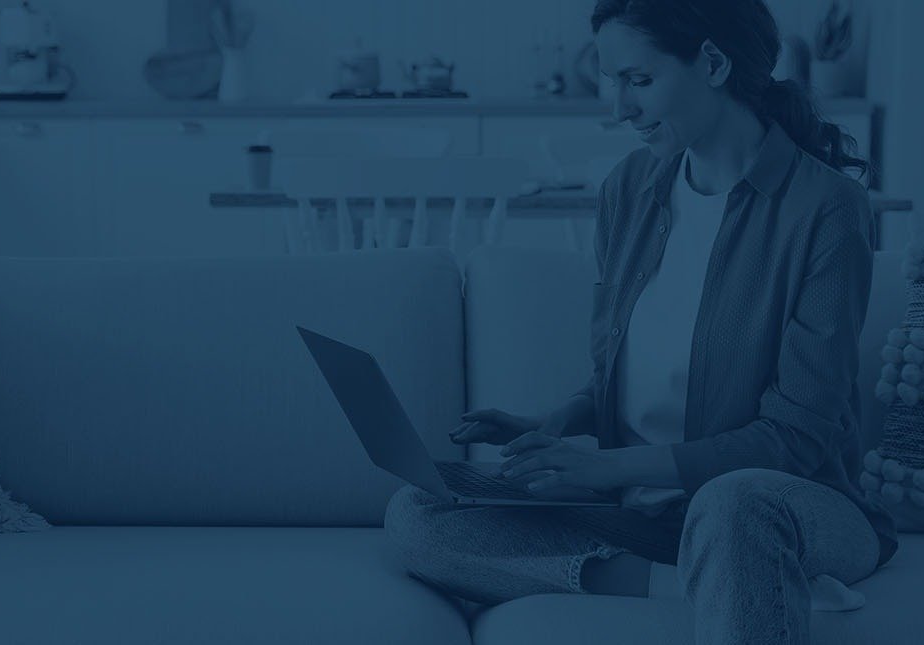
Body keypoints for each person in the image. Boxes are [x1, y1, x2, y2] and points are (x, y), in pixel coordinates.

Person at [381, 0, 898, 642]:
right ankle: (691, 584)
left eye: (638, 80)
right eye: (612, 81)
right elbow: (630, 375)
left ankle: (735, 568)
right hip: (643, 516)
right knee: (419, 513)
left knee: (732, 501)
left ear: (712, 63)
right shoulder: (628, 189)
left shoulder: (827, 210)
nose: (618, 109)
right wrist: (559, 423)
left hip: (789, 504)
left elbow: (795, 439)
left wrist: (605, 469)